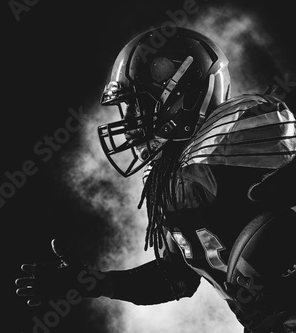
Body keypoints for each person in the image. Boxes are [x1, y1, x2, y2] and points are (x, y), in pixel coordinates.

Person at [15, 27, 296, 333]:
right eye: (127, 106)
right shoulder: (166, 180)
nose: (130, 117)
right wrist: (97, 282)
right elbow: (175, 279)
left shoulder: (233, 139)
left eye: (141, 103)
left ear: (184, 95)